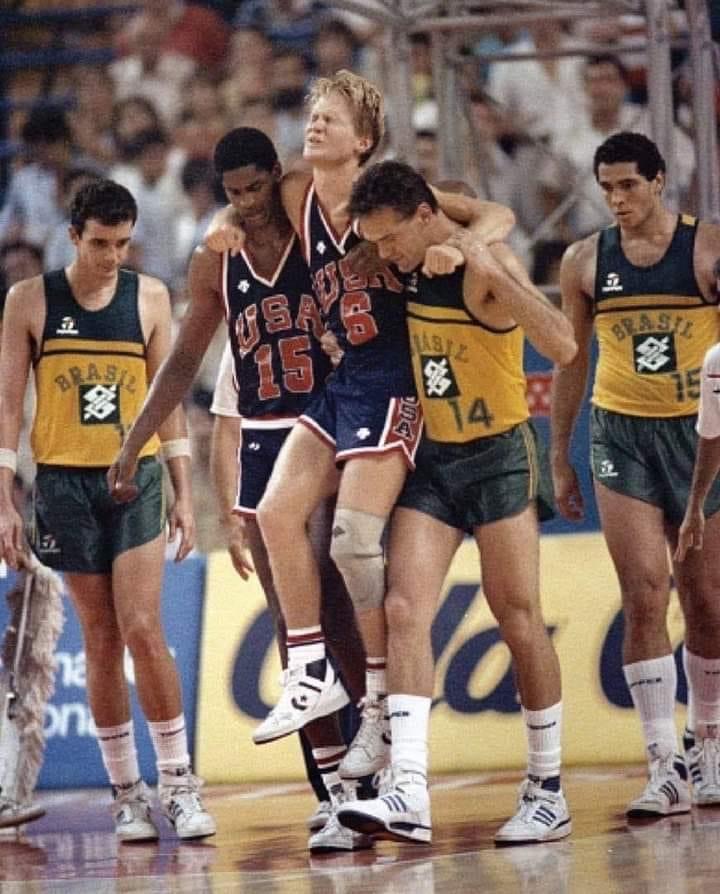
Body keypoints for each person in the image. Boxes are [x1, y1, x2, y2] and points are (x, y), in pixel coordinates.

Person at [204, 71, 515, 803]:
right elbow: (242, 197)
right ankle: (309, 671)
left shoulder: (390, 192)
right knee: (273, 512)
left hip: (398, 378)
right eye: (311, 114)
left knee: (349, 541)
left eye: (331, 118)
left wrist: (460, 247)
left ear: (365, 139)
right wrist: (222, 223)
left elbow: (493, 213)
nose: (314, 126)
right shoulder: (292, 195)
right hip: (342, 381)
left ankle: (374, 703)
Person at [108, 127, 368, 852]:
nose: (248, 204)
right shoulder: (214, 261)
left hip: (327, 427)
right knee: (292, 625)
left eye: (258, 188)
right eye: (234, 193)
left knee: (334, 597)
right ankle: (336, 790)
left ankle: (379, 763)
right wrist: (136, 441)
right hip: (262, 441)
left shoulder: (313, 226)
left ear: (275, 179)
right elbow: (187, 354)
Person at [331, 160, 576, 846]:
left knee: (518, 618)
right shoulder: (406, 254)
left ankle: (546, 789)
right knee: (404, 607)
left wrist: (488, 264)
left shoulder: (480, 262)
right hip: (435, 458)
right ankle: (409, 789)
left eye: (389, 240)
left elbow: (561, 342)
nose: (383, 255)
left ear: (421, 218)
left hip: (498, 454)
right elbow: (469, 208)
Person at [0, 179, 216, 843]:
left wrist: (183, 489)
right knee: (100, 636)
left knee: (144, 626)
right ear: (72, 236)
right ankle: (126, 793)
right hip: (63, 484)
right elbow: (8, 407)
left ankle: (178, 783)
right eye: (100, 243)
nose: (112, 256)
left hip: (135, 476)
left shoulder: (150, 297)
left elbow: (171, 397)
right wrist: (5, 500)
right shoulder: (29, 300)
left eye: (123, 243)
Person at [550, 131, 720, 817]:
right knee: (644, 593)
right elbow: (570, 358)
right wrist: (561, 452)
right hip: (621, 433)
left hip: (699, 434)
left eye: (628, 185)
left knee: (706, 599)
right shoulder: (585, 260)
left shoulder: (705, 248)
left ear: (657, 183)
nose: (617, 199)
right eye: (607, 188)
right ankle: (662, 767)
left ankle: (707, 743)